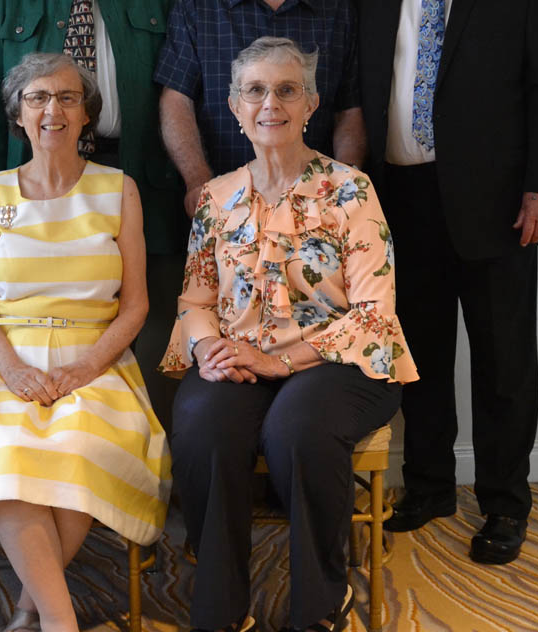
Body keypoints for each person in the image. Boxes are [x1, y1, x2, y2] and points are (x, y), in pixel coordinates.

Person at [350, 0, 538, 564]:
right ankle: (429, 487)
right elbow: (361, 88)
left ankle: (506, 504)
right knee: (417, 359)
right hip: (400, 203)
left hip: (501, 204)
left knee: (504, 364)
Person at [163, 37, 417, 632]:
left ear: (311, 104)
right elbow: (194, 298)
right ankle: (221, 608)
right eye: (255, 90)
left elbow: (374, 310)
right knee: (202, 423)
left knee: (296, 425)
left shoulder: (350, 189)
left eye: (286, 89)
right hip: (239, 355)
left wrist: (284, 361)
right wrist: (205, 349)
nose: (269, 103)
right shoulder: (216, 199)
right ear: (234, 107)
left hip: (342, 363)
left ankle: (321, 605)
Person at [0, 53, 171, 632]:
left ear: (88, 114)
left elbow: (135, 304)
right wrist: (10, 369)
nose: (52, 110)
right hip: (4, 361)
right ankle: (60, 621)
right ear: (18, 114)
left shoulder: (118, 190)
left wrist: (87, 367)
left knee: (79, 447)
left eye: (66, 97)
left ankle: (28, 610)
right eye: (37, 98)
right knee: (10, 454)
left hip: (98, 361)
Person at [0, 0, 185, 432]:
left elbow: (176, 95)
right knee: (56, 310)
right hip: (43, 181)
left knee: (150, 325)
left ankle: (146, 459)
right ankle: (48, 443)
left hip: (138, 172)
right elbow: (4, 102)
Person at [157, 0, 364, 219]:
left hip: (315, 209)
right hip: (222, 202)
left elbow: (349, 109)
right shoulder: (198, 5)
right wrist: (198, 183)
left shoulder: (336, 10)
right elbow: (176, 101)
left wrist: (343, 188)